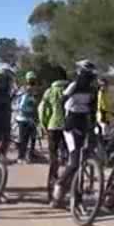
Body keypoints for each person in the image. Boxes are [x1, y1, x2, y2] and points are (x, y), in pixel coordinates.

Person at [51, 60, 98, 207]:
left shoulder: (92, 88)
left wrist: (94, 124)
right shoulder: (73, 86)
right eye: (87, 73)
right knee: (75, 161)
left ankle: (76, 195)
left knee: (84, 159)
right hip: (70, 124)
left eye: (90, 74)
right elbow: (61, 102)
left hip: (84, 122)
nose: (89, 76)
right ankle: (58, 189)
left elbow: (93, 107)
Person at [38, 69, 69, 202]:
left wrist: (44, 125)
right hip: (69, 127)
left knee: (53, 159)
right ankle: (65, 187)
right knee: (69, 159)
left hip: (53, 126)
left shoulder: (50, 91)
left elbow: (42, 110)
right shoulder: (70, 89)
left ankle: (51, 191)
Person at [16, 71, 40, 164]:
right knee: (24, 139)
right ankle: (20, 157)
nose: (32, 82)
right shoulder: (25, 92)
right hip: (24, 119)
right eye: (31, 80)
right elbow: (21, 107)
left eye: (33, 80)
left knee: (33, 137)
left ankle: (30, 154)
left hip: (31, 119)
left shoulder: (33, 92)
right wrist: (30, 112)